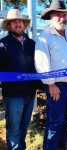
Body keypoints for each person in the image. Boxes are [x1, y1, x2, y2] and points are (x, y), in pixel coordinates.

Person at [34, 0, 67, 150]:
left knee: (66, 118)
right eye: (58, 15)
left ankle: (62, 145)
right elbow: (41, 62)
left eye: (64, 15)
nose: (62, 18)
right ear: (51, 17)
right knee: (55, 121)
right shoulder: (44, 37)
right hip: (57, 86)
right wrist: (51, 84)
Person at [0, 9, 38, 150]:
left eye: (20, 21)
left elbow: (38, 67)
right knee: (14, 128)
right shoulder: (2, 45)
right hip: (13, 94)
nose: (18, 24)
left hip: (30, 92)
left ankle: (21, 147)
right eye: (14, 22)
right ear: (9, 26)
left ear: (24, 24)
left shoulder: (32, 44)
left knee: (24, 126)